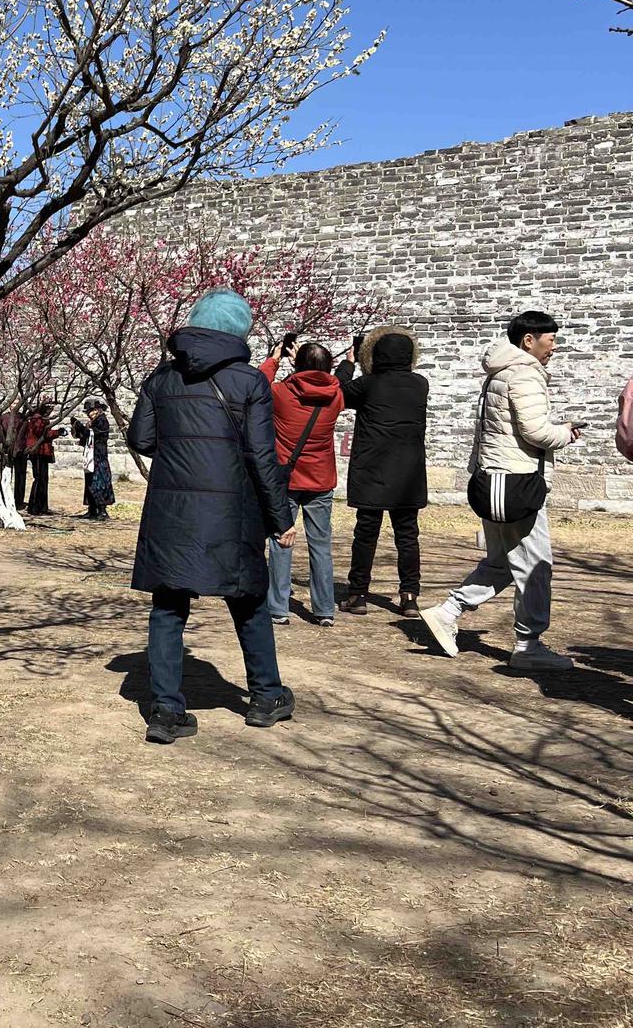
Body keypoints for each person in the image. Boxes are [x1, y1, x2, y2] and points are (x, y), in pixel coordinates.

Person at [129, 288, 298, 743]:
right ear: (239, 331)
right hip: (231, 511)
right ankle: (266, 697)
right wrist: (281, 518)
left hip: (172, 512)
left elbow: (141, 438)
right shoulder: (249, 382)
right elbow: (263, 456)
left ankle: (165, 711)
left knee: (168, 606)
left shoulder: (160, 378)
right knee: (248, 601)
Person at [421, 311, 583, 672]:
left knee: (501, 563)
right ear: (529, 340)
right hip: (517, 482)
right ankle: (529, 645)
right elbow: (536, 431)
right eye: (550, 339)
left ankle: (448, 612)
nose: (553, 347)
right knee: (536, 566)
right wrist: (565, 432)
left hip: (495, 479)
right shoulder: (524, 372)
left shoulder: (500, 371)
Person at [335, 327, 429, 617]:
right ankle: (409, 596)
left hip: (372, 469)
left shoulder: (368, 385)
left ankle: (358, 594)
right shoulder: (419, 384)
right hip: (409, 472)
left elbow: (337, 393)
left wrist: (350, 363)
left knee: (365, 534)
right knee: (407, 536)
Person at [260, 338, 345, 626]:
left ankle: (278, 607)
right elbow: (334, 380)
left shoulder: (282, 393)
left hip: (286, 478)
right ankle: (324, 610)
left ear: (297, 364)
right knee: (321, 545)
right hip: (321, 478)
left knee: (281, 541)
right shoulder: (336, 396)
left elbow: (258, 383)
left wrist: (276, 359)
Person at [71, 400, 115, 520]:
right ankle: (92, 508)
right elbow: (86, 437)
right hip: (92, 456)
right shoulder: (93, 422)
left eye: (91, 411)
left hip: (99, 457)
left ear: (97, 410)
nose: (90, 414)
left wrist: (82, 428)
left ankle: (102, 510)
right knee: (90, 482)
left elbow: (94, 435)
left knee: (99, 483)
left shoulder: (102, 421)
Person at [25, 402, 66, 517]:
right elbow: (41, 433)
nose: (50, 411)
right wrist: (57, 432)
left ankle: (42, 506)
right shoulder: (37, 419)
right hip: (37, 452)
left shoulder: (41, 418)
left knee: (43, 479)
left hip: (43, 452)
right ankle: (34, 506)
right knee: (38, 479)